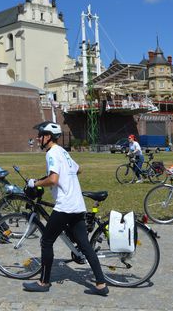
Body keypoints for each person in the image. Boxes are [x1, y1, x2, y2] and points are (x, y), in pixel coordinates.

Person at [22, 121, 108, 296]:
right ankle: (101, 284)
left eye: (40, 135)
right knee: (85, 245)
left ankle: (43, 282)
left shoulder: (52, 153)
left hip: (65, 206)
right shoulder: (63, 152)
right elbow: (78, 169)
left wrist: (35, 182)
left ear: (48, 137)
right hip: (77, 204)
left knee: (46, 241)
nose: (38, 139)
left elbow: (53, 179)